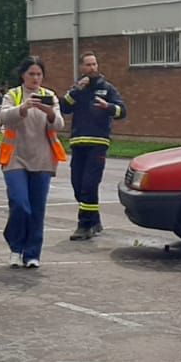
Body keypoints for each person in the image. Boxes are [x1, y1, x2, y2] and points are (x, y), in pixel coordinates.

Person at [0, 56, 66, 269]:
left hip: (43, 159)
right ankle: (16, 247)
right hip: (15, 158)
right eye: (31, 74)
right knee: (20, 204)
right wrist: (23, 108)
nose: (35, 78)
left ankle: (32, 254)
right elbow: (3, 117)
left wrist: (50, 113)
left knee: (37, 209)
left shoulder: (49, 96)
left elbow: (60, 125)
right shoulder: (14, 95)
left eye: (39, 75)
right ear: (23, 75)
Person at [59, 51, 126, 240]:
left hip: (98, 143)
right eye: (88, 65)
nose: (92, 68)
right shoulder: (77, 89)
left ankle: (84, 225)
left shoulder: (108, 88)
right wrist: (76, 91)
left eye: (94, 64)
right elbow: (64, 108)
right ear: (81, 67)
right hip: (78, 143)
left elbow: (123, 111)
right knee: (78, 185)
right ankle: (95, 220)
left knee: (89, 184)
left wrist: (109, 107)